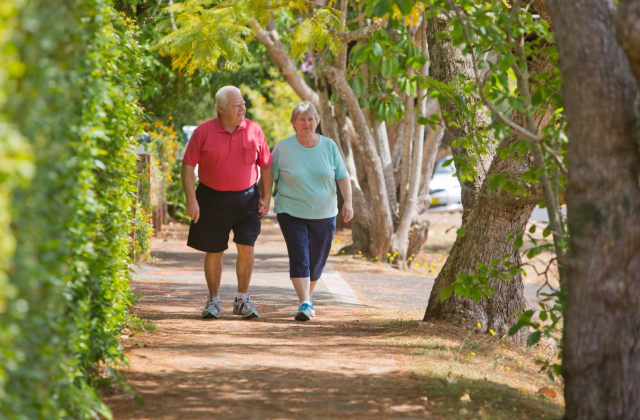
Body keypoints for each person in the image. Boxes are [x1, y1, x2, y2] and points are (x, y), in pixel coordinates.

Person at [181, 86, 273, 320]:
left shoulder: (254, 129)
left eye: (243, 104)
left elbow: (266, 165)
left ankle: (243, 299)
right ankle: (213, 301)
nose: (243, 108)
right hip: (211, 198)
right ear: (220, 108)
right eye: (236, 105)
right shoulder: (203, 131)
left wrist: (265, 197)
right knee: (214, 251)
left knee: (247, 247)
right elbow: (188, 166)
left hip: (247, 199)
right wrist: (191, 200)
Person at [270, 101, 353, 321]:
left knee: (317, 260)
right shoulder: (283, 147)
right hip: (291, 211)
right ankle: (305, 302)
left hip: (325, 213)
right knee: (299, 255)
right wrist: (263, 199)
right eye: (302, 119)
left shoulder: (329, 146)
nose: (307, 123)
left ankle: (307, 298)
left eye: (311, 119)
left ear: (317, 122)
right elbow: (269, 176)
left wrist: (348, 202)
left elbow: (342, 176)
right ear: (294, 123)